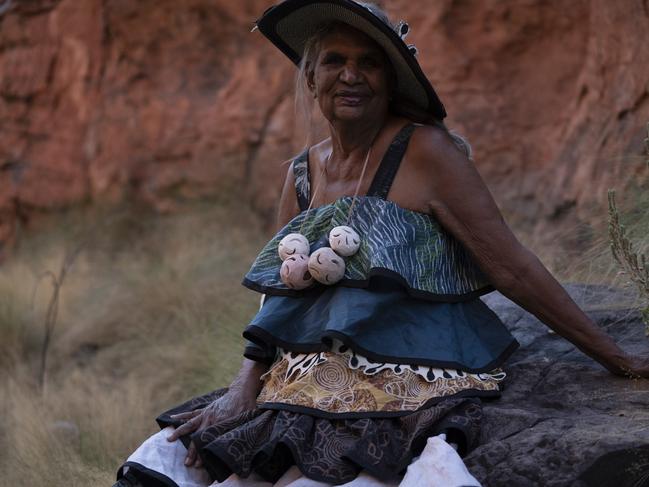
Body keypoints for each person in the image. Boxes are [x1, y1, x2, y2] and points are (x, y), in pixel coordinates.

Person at [114, 1, 649, 486]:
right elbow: (280, 299)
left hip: (410, 371)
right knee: (216, 471)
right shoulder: (302, 174)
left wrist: (615, 356)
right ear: (311, 77)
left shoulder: (428, 152)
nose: (351, 75)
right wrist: (243, 387)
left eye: (369, 63)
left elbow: (512, 268)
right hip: (309, 374)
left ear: (390, 79)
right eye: (334, 61)